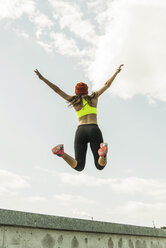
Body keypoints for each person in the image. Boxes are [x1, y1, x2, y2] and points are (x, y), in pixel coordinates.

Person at [34, 64, 123, 171]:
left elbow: (57, 90)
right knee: (100, 166)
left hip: (81, 131)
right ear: (86, 90)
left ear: (76, 91)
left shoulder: (73, 100)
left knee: (79, 166)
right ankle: (102, 155)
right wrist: (116, 72)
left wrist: (43, 78)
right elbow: (107, 84)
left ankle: (61, 153)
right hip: (94, 129)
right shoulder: (93, 98)